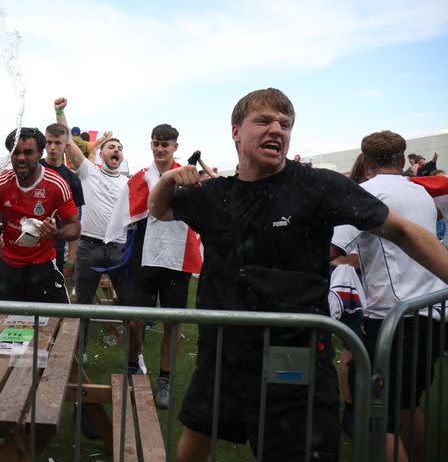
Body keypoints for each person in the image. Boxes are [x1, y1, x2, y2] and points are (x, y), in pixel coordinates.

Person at [148, 88, 448, 462]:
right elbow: (158, 210)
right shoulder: (214, 194)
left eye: (285, 124)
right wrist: (167, 181)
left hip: (293, 360)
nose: (277, 129)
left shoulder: (317, 186)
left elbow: (401, 230)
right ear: (236, 132)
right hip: (223, 355)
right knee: (196, 437)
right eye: (264, 121)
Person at [332, 130, 446, 462]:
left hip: (391, 320)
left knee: (378, 420)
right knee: (408, 405)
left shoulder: (365, 193)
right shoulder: (421, 194)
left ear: (365, 162)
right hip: (431, 312)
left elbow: (331, 249)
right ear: (401, 159)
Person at [106, 123, 202, 409]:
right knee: (135, 322)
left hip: (176, 259)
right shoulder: (138, 178)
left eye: (166, 144)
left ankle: (165, 379)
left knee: (172, 324)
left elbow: (203, 212)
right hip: (143, 259)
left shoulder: (189, 177)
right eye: (156, 144)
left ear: (175, 146)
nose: (160, 149)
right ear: (151, 146)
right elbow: (122, 213)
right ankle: (133, 364)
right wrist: (111, 241)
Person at [53, 97, 128, 337]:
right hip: (89, 248)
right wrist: (60, 112)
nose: (115, 150)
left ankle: (134, 358)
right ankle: (79, 349)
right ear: (100, 153)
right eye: (111, 147)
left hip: (118, 249)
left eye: (119, 148)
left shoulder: (129, 182)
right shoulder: (88, 171)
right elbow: (66, 143)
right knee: (83, 305)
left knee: (128, 304)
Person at [0, 127, 80, 303]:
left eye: (28, 152)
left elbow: (75, 227)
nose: (20, 158)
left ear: (40, 154)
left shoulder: (56, 184)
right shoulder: (1, 183)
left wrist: (57, 233)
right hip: (8, 265)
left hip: (42, 266)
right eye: (15, 152)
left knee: (60, 322)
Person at [41, 122, 85, 272]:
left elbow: (75, 221)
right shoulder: (33, 169)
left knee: (50, 295)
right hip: (28, 244)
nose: (53, 147)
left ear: (65, 146)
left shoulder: (72, 179)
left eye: (58, 142)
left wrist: (71, 259)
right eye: (49, 142)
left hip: (56, 247)